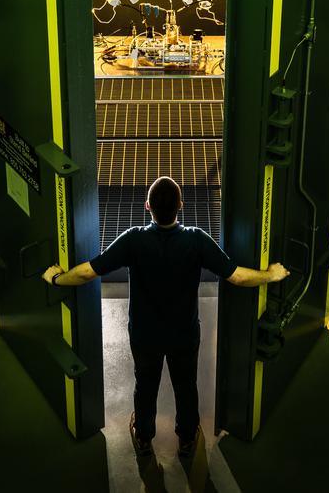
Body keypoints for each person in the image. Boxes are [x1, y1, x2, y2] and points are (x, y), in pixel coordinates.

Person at [43, 175, 288, 458]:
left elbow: (88, 271)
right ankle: (186, 438)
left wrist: (57, 279)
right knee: (186, 386)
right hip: (184, 334)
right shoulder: (196, 240)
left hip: (144, 335)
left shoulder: (133, 239)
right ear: (181, 206)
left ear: (148, 206)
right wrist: (271, 275)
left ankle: (144, 437)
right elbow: (238, 277)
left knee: (144, 384)